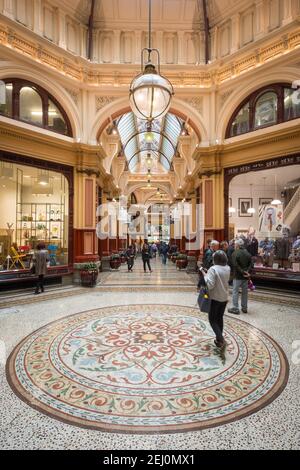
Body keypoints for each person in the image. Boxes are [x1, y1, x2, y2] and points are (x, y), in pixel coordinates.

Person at [200, 250, 230, 349]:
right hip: (224, 297)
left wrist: (205, 274)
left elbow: (210, 285)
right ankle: (218, 339)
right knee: (219, 318)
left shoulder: (213, 269)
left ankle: (221, 339)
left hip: (215, 297)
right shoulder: (227, 268)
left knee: (212, 319)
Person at [228, 239, 252, 314]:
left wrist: (242, 271)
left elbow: (235, 265)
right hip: (245, 276)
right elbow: (251, 264)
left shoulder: (235, 253)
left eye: (235, 245)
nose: (234, 246)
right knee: (245, 292)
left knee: (235, 291)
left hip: (237, 276)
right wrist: (247, 271)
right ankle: (244, 308)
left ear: (237, 245)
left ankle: (235, 308)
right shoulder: (248, 253)